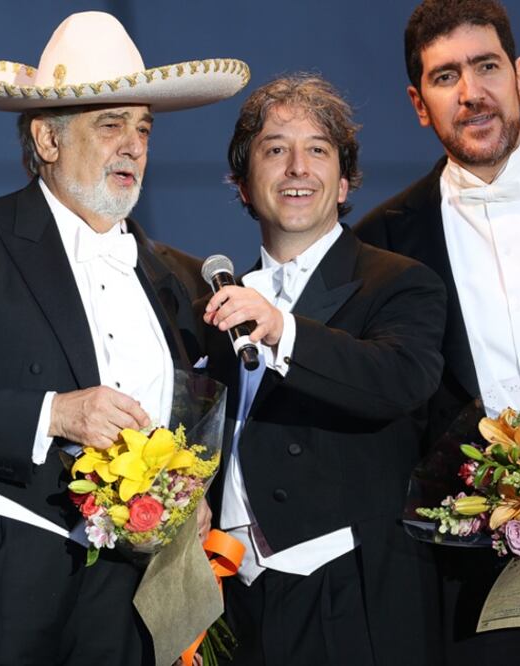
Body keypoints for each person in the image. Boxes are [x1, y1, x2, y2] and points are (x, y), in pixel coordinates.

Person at [0, 11, 248, 666]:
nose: (132, 145)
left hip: (132, 601)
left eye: (142, 128)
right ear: (46, 139)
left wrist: (185, 502)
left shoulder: (178, 277)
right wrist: (56, 412)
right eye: (110, 125)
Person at [203, 74, 446, 666]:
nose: (297, 168)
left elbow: (397, 380)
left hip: (350, 591)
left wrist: (284, 330)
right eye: (275, 149)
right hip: (230, 598)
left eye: (317, 149)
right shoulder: (210, 300)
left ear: (345, 184)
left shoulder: (399, 281)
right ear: (240, 184)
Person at [354, 1, 520, 662]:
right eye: (444, 78)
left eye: (486, 67)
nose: (471, 94)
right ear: (417, 103)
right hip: (484, 582)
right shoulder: (380, 244)